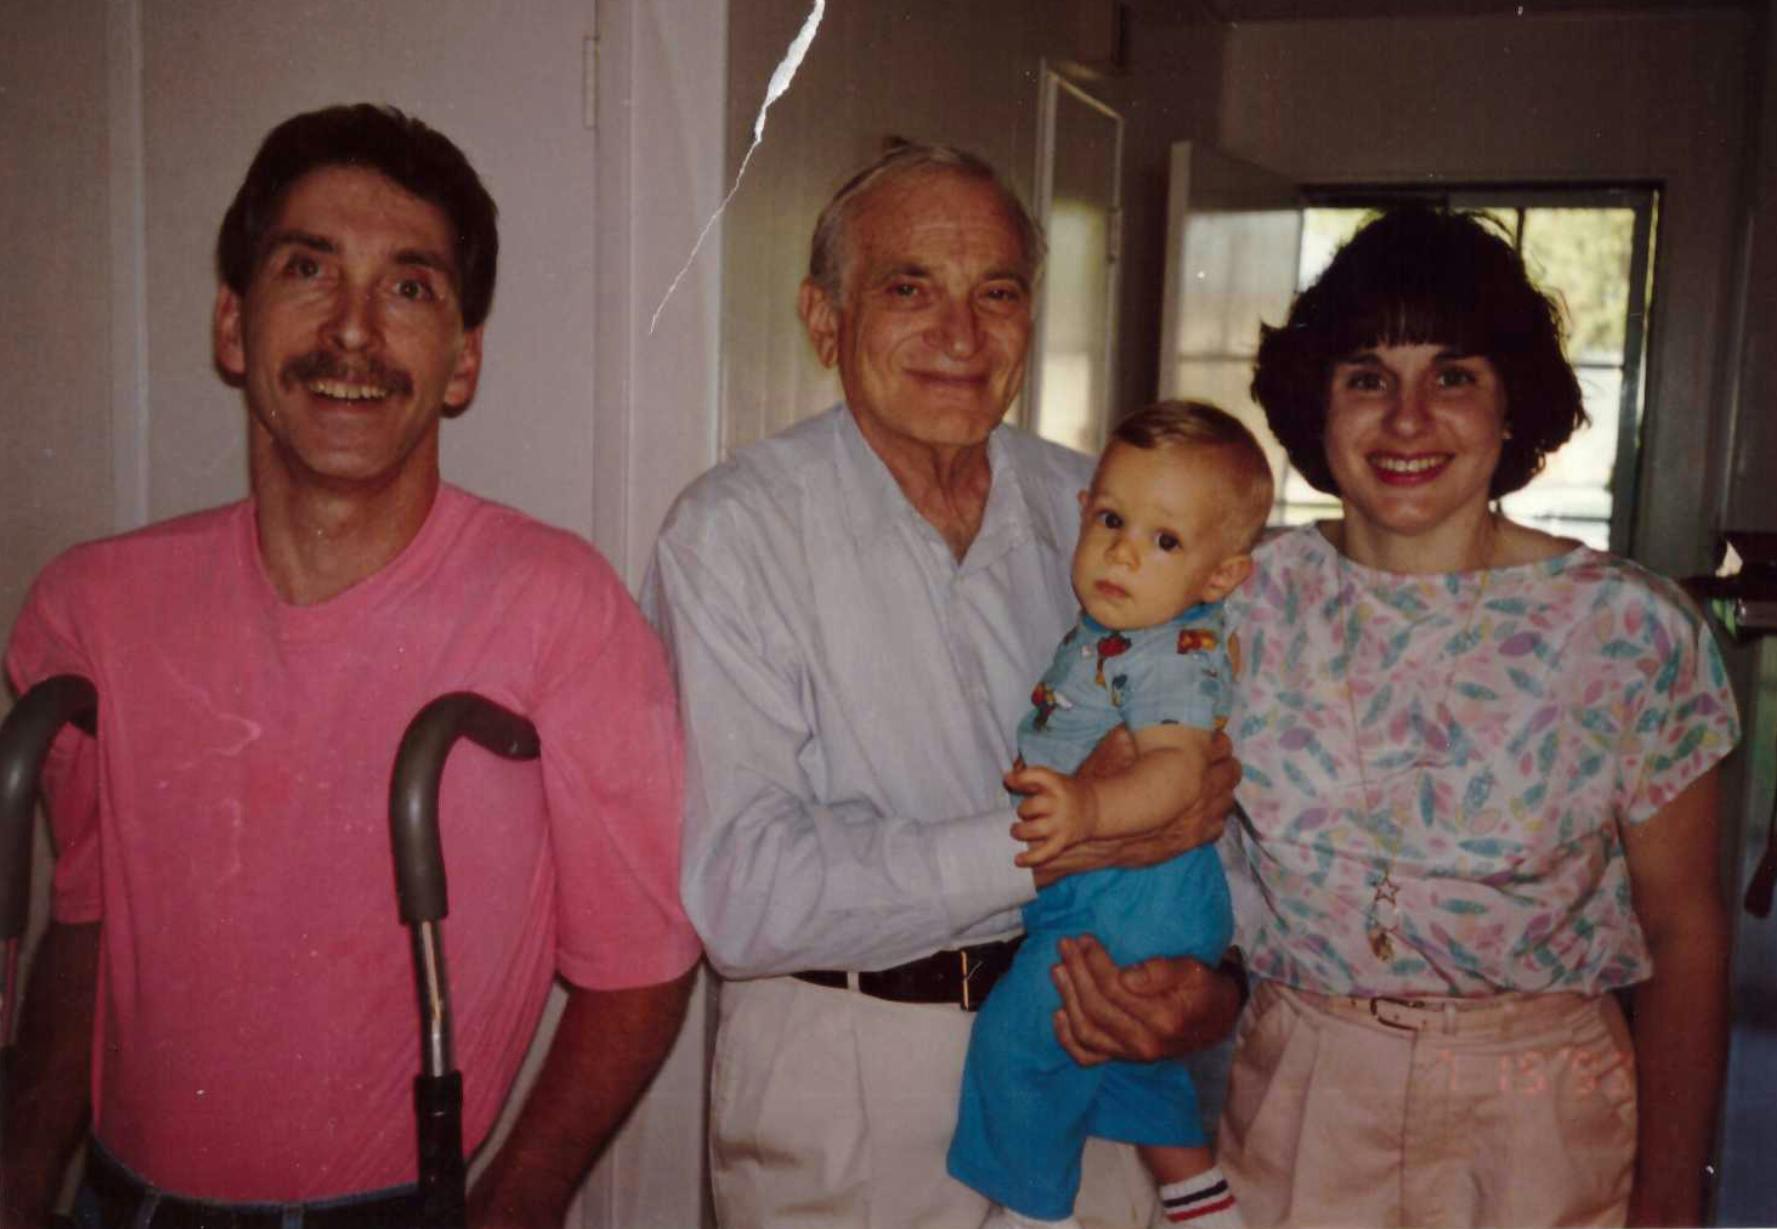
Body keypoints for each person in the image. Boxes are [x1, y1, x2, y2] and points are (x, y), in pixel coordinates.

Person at [1, 105, 701, 1229]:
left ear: (463, 358)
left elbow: (640, 965)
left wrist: (516, 1200)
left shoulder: (559, 611)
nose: (355, 332)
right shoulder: (89, 610)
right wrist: (22, 1170)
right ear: (234, 324)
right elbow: (87, 919)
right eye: (308, 269)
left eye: (410, 287)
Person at [645, 144, 1244, 1228]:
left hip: (1093, 1050)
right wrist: (1053, 843)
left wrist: (1215, 984)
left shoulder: (1096, 507)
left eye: (996, 293)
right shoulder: (733, 535)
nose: (960, 335)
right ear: (823, 320)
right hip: (853, 1099)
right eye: (909, 288)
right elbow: (744, 892)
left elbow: (1213, 797)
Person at [1214, 205, 1739, 1227]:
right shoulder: (1238, 605)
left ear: (1510, 408)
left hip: (1544, 1116)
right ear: (1316, 407)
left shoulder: (1629, 630)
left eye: (1452, 375)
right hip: (1301, 1096)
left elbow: (1683, 931)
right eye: (1367, 376)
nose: (1407, 420)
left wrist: (1670, 1195)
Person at [948, 401, 1271, 1229]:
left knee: (1020, 1043)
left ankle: (1032, 1214)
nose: (1124, 549)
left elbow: (1174, 774)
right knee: (1122, 1054)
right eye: (1111, 519)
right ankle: (1203, 1203)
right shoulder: (1120, 629)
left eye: (1165, 540)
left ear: (1220, 576)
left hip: (1130, 892)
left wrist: (1088, 804)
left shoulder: (1174, 652)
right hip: (1141, 894)